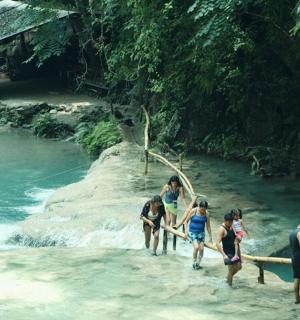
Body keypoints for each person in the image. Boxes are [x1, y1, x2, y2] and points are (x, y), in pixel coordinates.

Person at [216, 213, 242, 286]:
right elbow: (217, 243)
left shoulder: (231, 227)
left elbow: (235, 237)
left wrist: (238, 239)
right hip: (227, 253)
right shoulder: (221, 229)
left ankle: (227, 279)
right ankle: (229, 286)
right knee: (231, 270)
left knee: (239, 267)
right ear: (225, 221)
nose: (231, 223)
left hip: (235, 251)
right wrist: (224, 255)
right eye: (229, 222)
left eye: (231, 221)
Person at [185, 200, 212, 269]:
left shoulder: (207, 214)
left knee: (202, 249)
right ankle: (193, 262)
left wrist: (210, 237)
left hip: (201, 233)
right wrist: (186, 232)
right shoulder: (193, 211)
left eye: (204, 209)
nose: (203, 211)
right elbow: (186, 221)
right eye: (202, 209)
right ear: (199, 207)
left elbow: (208, 226)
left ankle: (198, 263)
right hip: (192, 232)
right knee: (196, 247)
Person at [289, 224, 300, 304]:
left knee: (297, 277)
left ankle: (297, 299)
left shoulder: (292, 232)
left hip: (294, 257)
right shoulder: (299, 233)